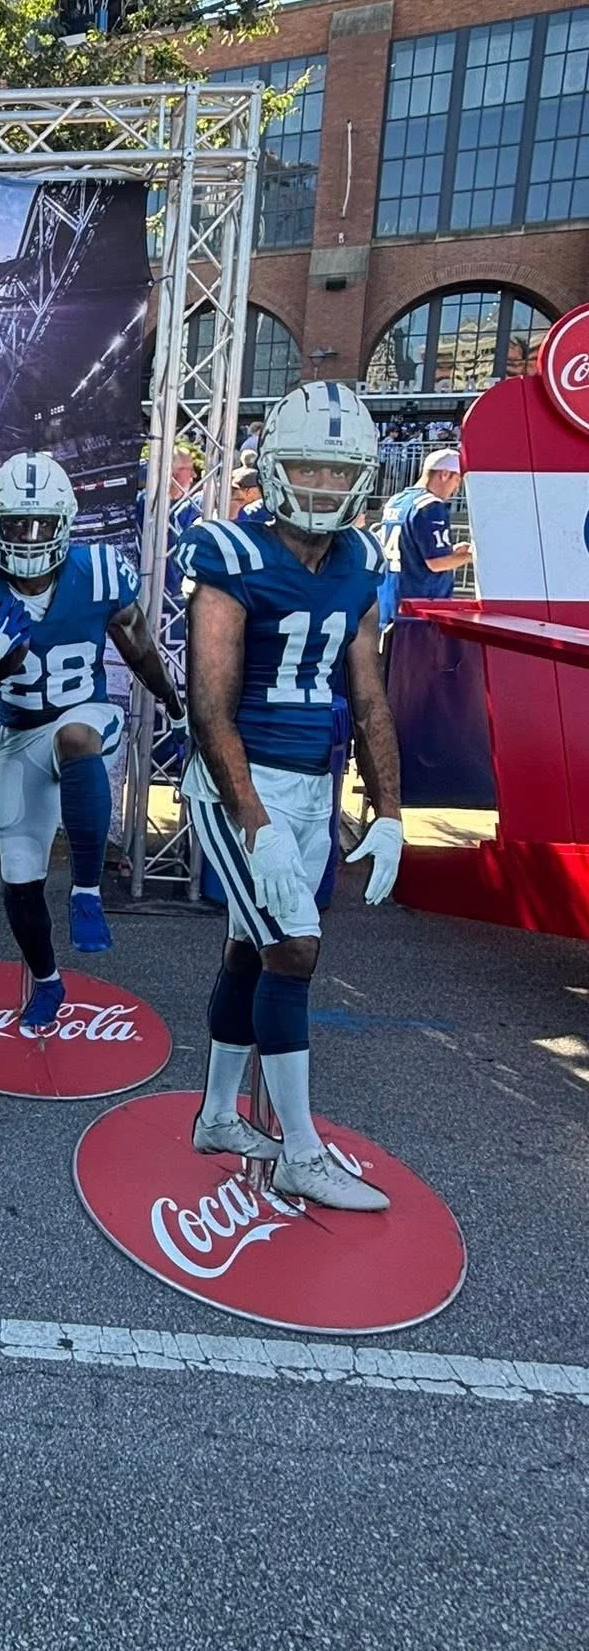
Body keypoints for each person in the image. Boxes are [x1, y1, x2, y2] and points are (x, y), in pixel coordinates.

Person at [178, 381, 403, 1212]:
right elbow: (209, 707)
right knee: (294, 949)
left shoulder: (361, 562)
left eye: (336, 470)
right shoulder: (231, 554)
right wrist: (256, 823)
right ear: (274, 466)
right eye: (306, 466)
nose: (320, 484)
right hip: (242, 786)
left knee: (252, 947)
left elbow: (370, 699)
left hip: (314, 782)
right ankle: (301, 1153)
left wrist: (391, 814)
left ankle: (216, 1117)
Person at [0, 450, 184, 1032]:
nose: (29, 537)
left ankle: (87, 890)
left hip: (85, 712)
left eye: (41, 524)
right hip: (19, 735)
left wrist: (175, 707)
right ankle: (48, 980)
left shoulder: (100, 573)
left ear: (65, 524)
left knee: (77, 737)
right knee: (20, 881)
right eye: (16, 524)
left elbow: (140, 649)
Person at [394, 449, 470, 607]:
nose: (456, 488)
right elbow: (437, 563)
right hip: (422, 602)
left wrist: (451, 551)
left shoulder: (397, 501)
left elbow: (411, 550)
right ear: (444, 474)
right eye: (457, 480)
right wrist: (472, 555)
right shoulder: (431, 506)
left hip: (392, 599)